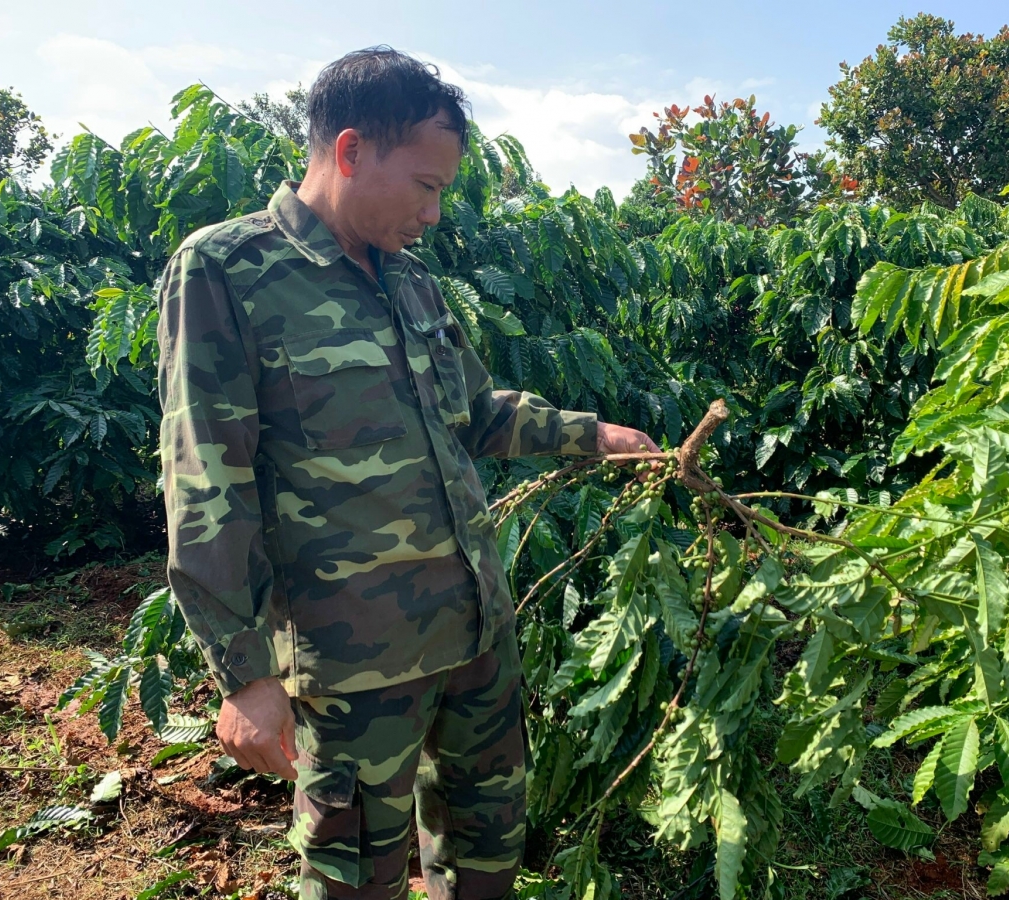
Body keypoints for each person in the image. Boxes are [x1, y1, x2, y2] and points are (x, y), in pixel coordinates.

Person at [157, 47, 658, 900]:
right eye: (425, 186)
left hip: (474, 636)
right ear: (351, 152)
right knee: (357, 880)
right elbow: (207, 476)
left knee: (486, 858)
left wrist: (595, 435)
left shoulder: (414, 283)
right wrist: (244, 672)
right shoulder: (226, 272)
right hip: (356, 667)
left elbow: (481, 413)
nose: (433, 211)